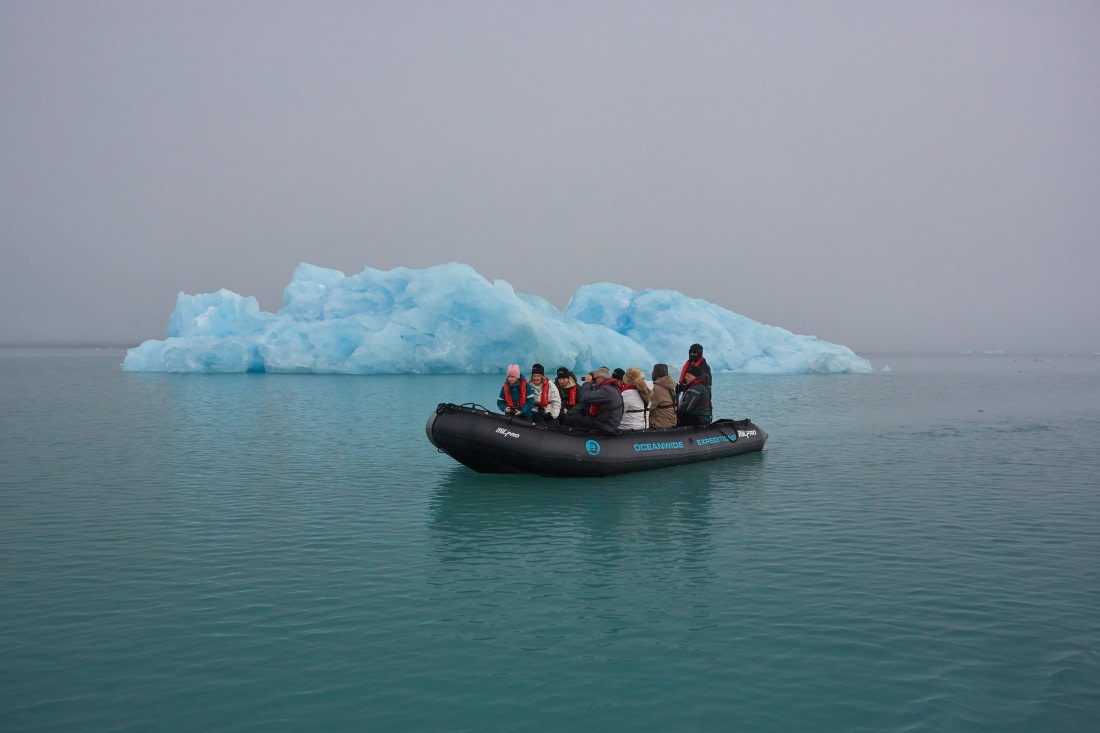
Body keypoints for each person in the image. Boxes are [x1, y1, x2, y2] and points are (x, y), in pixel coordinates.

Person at [560, 367, 624, 433]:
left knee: (571, 418)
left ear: (601, 378)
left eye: (596, 379)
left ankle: (563, 438)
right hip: (609, 424)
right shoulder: (611, 388)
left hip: (604, 426)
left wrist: (587, 383)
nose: (595, 381)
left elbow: (585, 397)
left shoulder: (606, 390)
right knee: (579, 416)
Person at [648, 363, 678, 428]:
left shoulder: (656, 389)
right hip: (671, 422)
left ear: (655, 373)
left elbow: (648, 407)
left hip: (660, 424)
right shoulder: (670, 386)